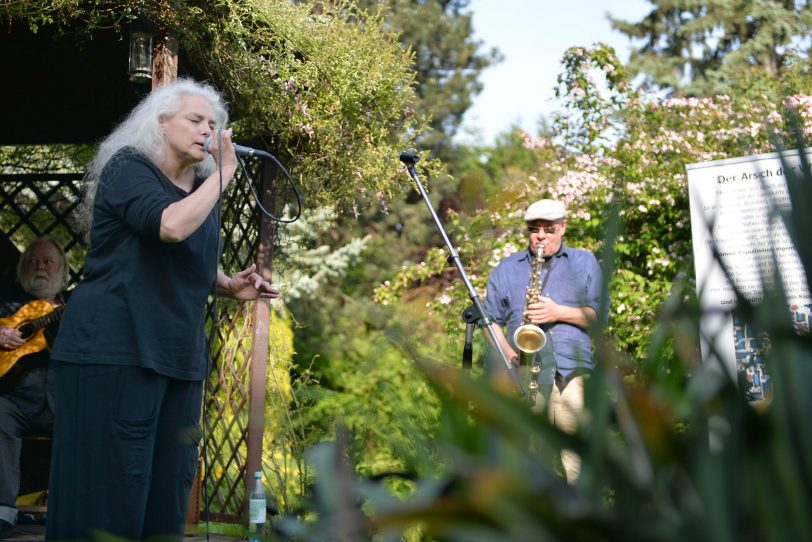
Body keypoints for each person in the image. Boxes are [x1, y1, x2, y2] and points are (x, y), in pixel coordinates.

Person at [46, 78, 280, 541]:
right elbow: (168, 227)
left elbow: (179, 254)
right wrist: (223, 174)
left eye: (213, 124)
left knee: (167, 497)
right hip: (114, 352)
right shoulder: (129, 167)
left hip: (177, 357)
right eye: (195, 120)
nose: (207, 131)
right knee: (110, 494)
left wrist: (227, 283)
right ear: (161, 122)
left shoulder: (197, 184)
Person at [483, 198, 606, 483]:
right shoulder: (506, 269)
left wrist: (558, 312)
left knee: (578, 465)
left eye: (549, 229)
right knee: (528, 467)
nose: (540, 236)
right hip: (526, 377)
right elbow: (489, 321)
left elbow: (598, 317)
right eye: (533, 229)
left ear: (563, 227)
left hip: (570, 374)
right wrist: (509, 356)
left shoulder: (584, 261)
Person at [0, 236, 70, 538]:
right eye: (32, 260)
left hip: (63, 401)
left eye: (47, 261)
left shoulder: (73, 305)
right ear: (21, 267)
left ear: (63, 271)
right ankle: (2, 512)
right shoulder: (5, 298)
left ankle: (74, 509)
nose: (39, 266)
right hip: (13, 399)